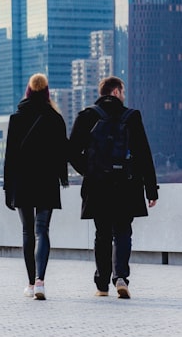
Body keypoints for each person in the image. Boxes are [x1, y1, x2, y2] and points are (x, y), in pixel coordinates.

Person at [68, 76, 158, 298]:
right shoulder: (132, 117)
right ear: (116, 92)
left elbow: (70, 152)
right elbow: (144, 155)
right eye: (123, 91)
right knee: (123, 232)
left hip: (98, 185)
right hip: (127, 185)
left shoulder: (87, 115)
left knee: (102, 234)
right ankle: (120, 277)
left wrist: (89, 171)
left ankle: (101, 284)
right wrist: (151, 190)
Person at [3, 73, 70, 300]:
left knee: (27, 231)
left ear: (28, 91)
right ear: (46, 92)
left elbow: (9, 157)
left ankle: (30, 283)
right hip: (46, 180)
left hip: (22, 182)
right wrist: (63, 178)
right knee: (42, 230)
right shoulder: (55, 118)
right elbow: (63, 153)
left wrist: (7, 189)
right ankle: (41, 281)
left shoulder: (17, 118)